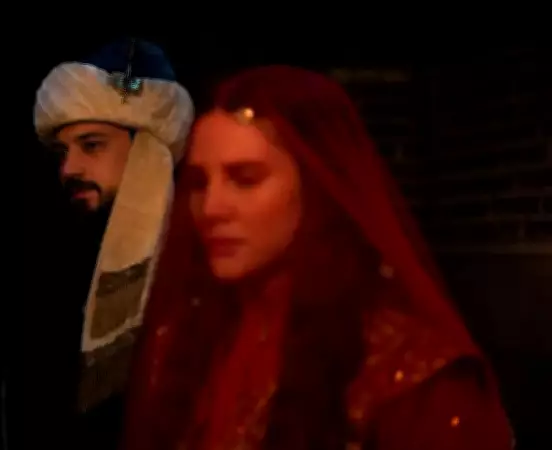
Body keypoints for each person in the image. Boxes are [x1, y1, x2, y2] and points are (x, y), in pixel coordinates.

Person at [121, 65, 514, 450]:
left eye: (245, 179)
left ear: (315, 188)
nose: (211, 208)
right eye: (199, 183)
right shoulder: (186, 339)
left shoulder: (407, 370)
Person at [6, 38, 193, 449]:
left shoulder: (203, 265)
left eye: (92, 145)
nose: (69, 169)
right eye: (62, 153)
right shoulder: (53, 266)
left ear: (147, 149)